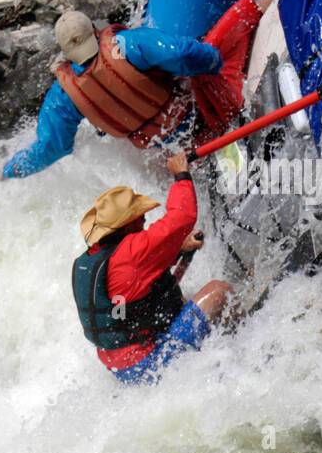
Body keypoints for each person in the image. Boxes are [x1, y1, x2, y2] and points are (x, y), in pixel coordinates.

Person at [0, 0, 267, 180]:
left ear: (66, 52)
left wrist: (10, 170)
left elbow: (50, 148)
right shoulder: (127, 44)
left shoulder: (62, 96)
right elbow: (184, 55)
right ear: (95, 30)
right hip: (208, 113)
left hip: (168, 151)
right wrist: (213, 60)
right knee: (238, 13)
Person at [72, 152, 237, 384]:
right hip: (152, 364)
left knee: (184, 300)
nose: (145, 221)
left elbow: (136, 289)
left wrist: (179, 248)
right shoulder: (132, 251)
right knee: (219, 291)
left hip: (124, 371)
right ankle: (246, 347)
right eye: (140, 217)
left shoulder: (90, 260)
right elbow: (182, 217)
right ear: (127, 225)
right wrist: (181, 175)